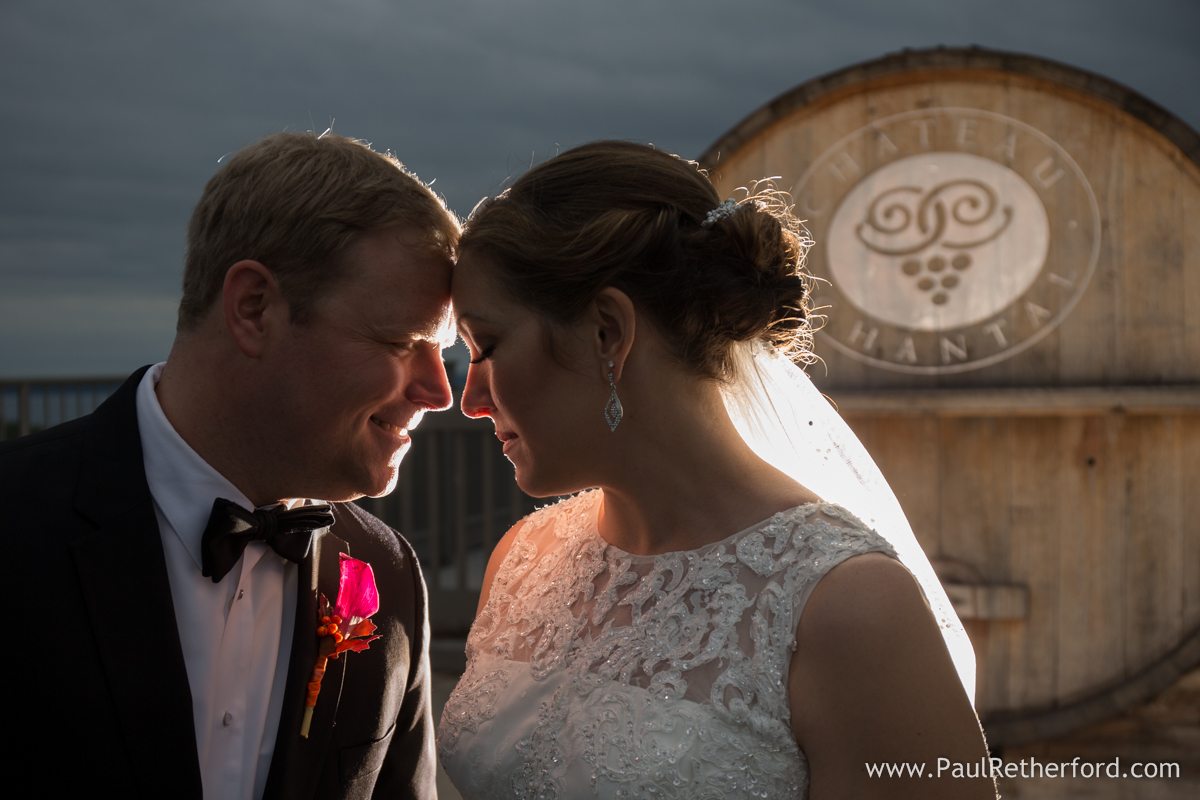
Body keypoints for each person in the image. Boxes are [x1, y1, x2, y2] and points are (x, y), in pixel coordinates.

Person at [438, 141, 996, 798]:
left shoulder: (844, 607)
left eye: (488, 346)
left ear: (607, 332)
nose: (469, 400)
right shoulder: (523, 560)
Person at [1, 132, 458, 799]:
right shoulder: (15, 523)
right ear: (253, 308)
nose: (438, 391)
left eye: (441, 351)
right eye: (401, 341)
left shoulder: (387, 573)